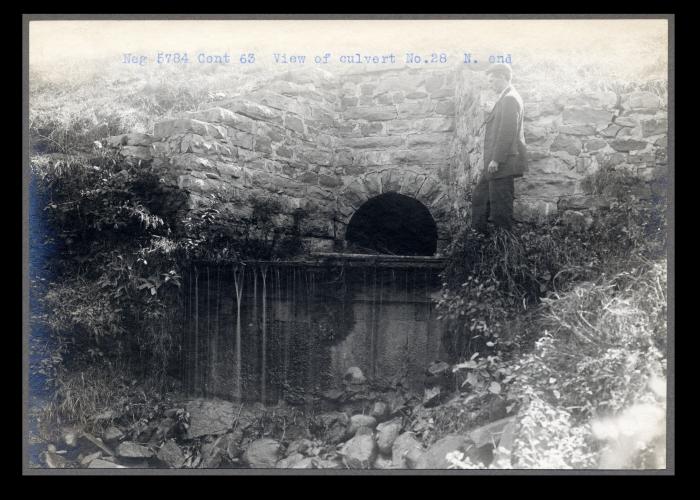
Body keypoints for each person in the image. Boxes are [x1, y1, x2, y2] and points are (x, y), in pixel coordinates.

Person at [471, 63, 527, 233]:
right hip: (496, 162)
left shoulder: (510, 98)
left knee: (500, 209)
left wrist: (496, 159)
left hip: (502, 163)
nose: (490, 84)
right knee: (480, 197)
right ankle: (478, 237)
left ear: (502, 77)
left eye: (492, 80)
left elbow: (507, 131)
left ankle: (504, 247)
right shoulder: (506, 98)